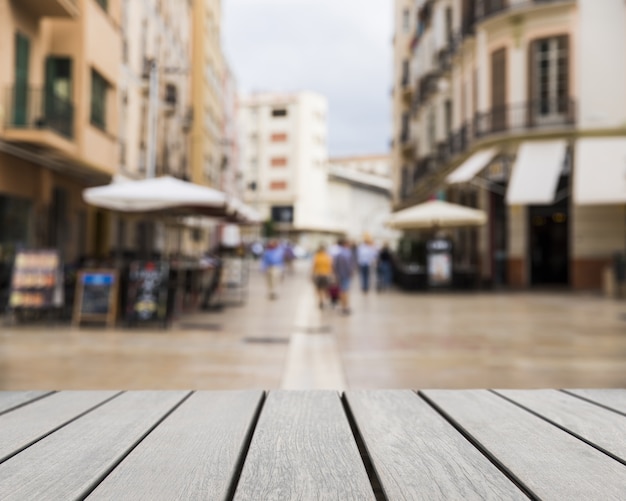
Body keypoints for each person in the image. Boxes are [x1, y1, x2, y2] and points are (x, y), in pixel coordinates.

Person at [333, 238, 355, 315]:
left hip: (340, 274)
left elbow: (335, 265)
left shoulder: (338, 253)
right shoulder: (347, 253)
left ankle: (343, 306)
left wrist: (336, 273)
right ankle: (345, 306)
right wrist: (351, 272)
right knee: (345, 291)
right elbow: (350, 265)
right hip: (346, 274)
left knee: (342, 290)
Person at [311, 244, 333, 309]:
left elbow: (314, 266)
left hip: (319, 274)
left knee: (319, 288)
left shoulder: (317, 256)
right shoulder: (327, 256)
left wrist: (312, 274)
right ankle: (324, 299)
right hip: (326, 275)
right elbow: (331, 266)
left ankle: (321, 300)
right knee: (325, 288)